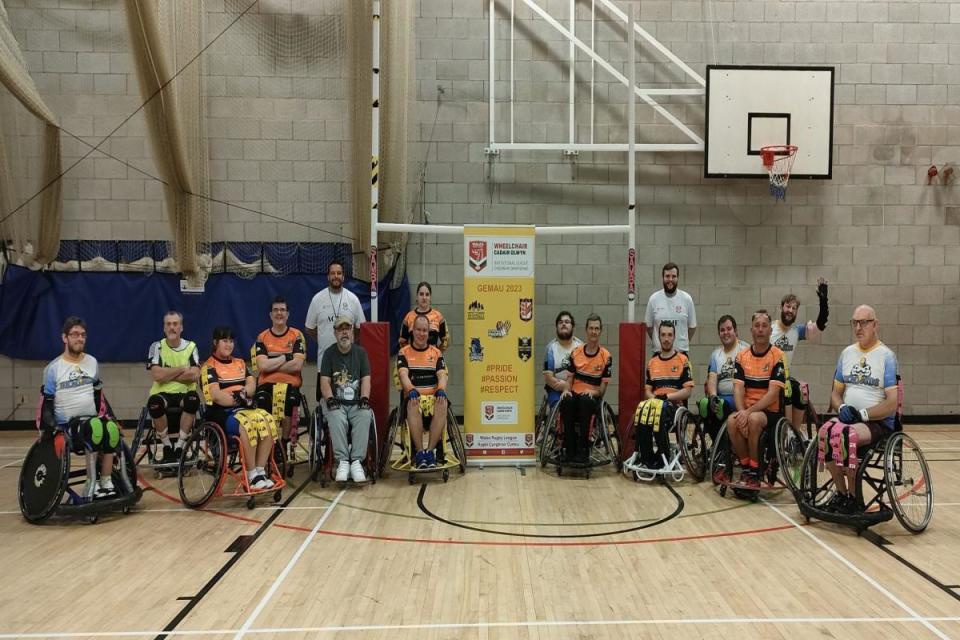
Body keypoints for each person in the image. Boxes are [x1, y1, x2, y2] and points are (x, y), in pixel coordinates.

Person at [820, 305, 899, 515]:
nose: (858, 327)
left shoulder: (886, 356)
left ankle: (855, 499)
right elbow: (835, 394)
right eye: (854, 322)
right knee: (824, 433)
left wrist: (863, 414)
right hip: (849, 418)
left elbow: (892, 402)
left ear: (875, 325)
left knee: (846, 436)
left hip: (876, 422)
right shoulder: (846, 353)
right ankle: (842, 494)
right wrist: (842, 406)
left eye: (863, 322)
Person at [41, 317, 123, 498]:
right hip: (68, 426)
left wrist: (113, 419)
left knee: (110, 428)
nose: (80, 339)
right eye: (75, 334)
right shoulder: (53, 369)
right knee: (95, 428)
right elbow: (46, 405)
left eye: (83, 335)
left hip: (92, 420)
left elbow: (98, 396)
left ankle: (106, 481)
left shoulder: (92, 362)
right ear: (65, 338)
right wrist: (50, 429)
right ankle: (90, 483)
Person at [201, 326, 278, 491]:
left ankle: (260, 470)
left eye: (230, 341)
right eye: (224, 341)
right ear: (215, 343)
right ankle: (251, 474)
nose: (229, 345)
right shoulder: (208, 367)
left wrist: (243, 394)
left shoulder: (240, 363)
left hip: (244, 408)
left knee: (268, 420)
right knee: (246, 425)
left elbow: (252, 384)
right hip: (221, 413)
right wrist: (240, 399)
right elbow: (216, 396)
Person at [725, 309, 787, 489]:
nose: (760, 329)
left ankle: (757, 469)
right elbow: (738, 389)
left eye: (764, 326)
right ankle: (746, 467)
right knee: (731, 421)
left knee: (752, 419)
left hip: (770, 412)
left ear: (770, 331)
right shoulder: (742, 356)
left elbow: (773, 394)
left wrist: (748, 412)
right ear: (751, 330)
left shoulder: (778, 356)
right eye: (757, 326)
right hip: (748, 409)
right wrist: (741, 412)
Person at [319, 313, 372, 483]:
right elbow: (325, 382)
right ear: (334, 333)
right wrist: (329, 398)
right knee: (334, 416)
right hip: (337, 403)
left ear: (352, 333)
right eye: (340, 329)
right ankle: (342, 461)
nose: (344, 333)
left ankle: (356, 462)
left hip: (356, 402)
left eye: (347, 328)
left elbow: (366, 380)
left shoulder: (361, 353)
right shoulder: (329, 354)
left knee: (365, 414)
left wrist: (364, 397)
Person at [253, 296, 307, 459]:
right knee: (262, 401)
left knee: (290, 402)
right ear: (270, 315)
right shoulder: (262, 337)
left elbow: (297, 365)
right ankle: (268, 442)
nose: (279, 313)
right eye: (276, 310)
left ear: (288, 314)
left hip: (290, 385)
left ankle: (282, 443)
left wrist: (272, 364)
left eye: (282, 310)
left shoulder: (297, 336)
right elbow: (262, 366)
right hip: (266, 384)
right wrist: (285, 357)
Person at [635, 321, 694, 469]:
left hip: (673, 406)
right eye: (663, 335)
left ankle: (663, 456)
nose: (666, 338)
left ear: (674, 337)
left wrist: (667, 397)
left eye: (669, 335)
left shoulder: (683, 360)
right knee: (641, 410)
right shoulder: (652, 362)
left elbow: (688, 391)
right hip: (656, 403)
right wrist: (654, 398)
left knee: (659, 412)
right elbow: (647, 390)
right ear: (659, 337)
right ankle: (647, 458)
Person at [771, 278, 829, 428]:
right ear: (781, 307)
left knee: (802, 392)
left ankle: (793, 433)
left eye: (794, 308)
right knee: (788, 391)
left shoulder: (796, 331)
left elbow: (820, 325)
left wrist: (823, 301)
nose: (790, 310)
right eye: (788, 306)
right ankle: (785, 429)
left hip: (785, 377)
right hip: (768, 378)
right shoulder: (770, 329)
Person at [305, 259, 366, 400]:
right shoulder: (317, 299)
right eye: (333, 273)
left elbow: (360, 328)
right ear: (328, 277)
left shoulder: (353, 299)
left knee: (349, 401)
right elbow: (310, 328)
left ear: (343, 276)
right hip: (324, 364)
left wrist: (348, 342)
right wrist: (322, 339)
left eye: (339, 273)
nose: (336, 276)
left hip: (348, 364)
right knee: (325, 403)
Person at [146, 311, 201, 464]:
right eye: (168, 324)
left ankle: (179, 446)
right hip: (162, 393)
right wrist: (182, 368)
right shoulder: (156, 346)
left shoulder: (191, 346)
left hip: (185, 393)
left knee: (192, 400)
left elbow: (195, 375)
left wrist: (167, 373)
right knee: (154, 404)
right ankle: (167, 446)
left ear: (181, 327)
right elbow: (157, 375)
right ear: (164, 328)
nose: (172, 328)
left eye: (175, 324)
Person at [557, 313, 612, 465]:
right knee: (566, 400)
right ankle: (569, 449)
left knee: (585, 401)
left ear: (600, 331)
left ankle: (583, 450)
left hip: (591, 398)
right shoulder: (575, 353)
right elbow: (569, 380)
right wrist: (566, 390)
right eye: (591, 328)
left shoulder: (606, 356)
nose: (594, 332)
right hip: (575, 394)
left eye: (597, 329)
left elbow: (602, 390)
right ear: (586, 331)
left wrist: (592, 392)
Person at [397, 314, 450, 469]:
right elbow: (403, 374)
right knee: (413, 403)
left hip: (433, 399)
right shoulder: (404, 352)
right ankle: (420, 452)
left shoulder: (436, 353)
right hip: (414, 399)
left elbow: (442, 375)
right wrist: (410, 389)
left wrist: (441, 389)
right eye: (418, 330)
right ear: (412, 331)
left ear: (428, 332)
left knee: (442, 402)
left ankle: (430, 452)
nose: (421, 334)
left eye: (425, 330)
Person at [700, 315, 750, 440]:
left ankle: (725, 446)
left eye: (729, 329)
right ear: (719, 334)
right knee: (704, 404)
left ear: (736, 331)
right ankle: (718, 445)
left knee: (721, 406)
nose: (725, 333)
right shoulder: (715, 354)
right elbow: (712, 379)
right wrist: (712, 396)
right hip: (722, 397)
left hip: (741, 397)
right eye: (722, 330)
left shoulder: (745, 349)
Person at [645, 262, 697, 354]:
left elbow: (692, 327)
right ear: (663, 278)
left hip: (681, 354)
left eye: (673, 276)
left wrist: (680, 343)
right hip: (659, 354)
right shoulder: (653, 299)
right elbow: (649, 327)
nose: (670, 279)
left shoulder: (687, 299)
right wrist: (658, 341)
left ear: (677, 278)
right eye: (667, 276)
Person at [542, 311, 582, 409]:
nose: (563, 324)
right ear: (556, 327)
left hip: (576, 388)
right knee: (560, 406)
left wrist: (569, 387)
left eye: (567, 322)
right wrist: (564, 387)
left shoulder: (580, 347)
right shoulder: (550, 348)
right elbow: (548, 378)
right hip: (556, 389)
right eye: (560, 322)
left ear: (572, 326)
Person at [399, 281, 449, 351]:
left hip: (432, 360)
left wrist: (437, 353)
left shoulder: (438, 316)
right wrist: (410, 354)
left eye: (427, 294)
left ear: (430, 297)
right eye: (421, 294)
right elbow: (402, 341)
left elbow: (446, 340)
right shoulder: (409, 317)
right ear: (417, 296)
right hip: (414, 360)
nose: (424, 297)